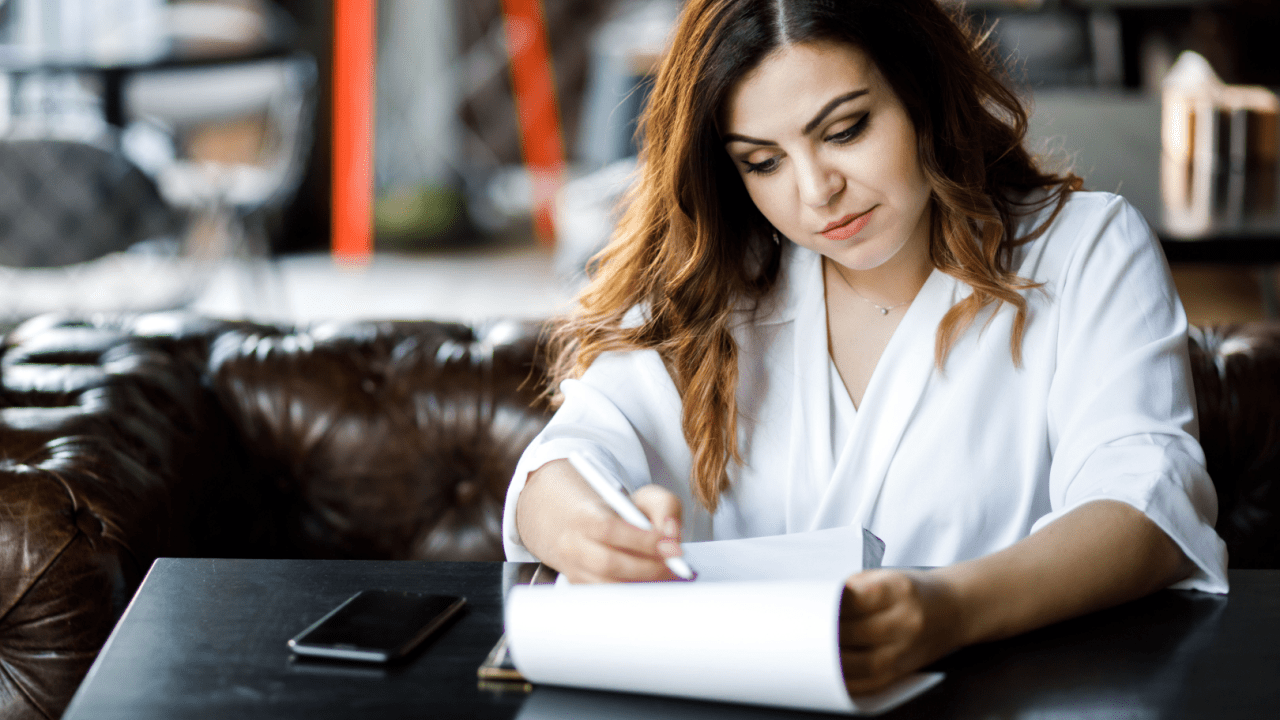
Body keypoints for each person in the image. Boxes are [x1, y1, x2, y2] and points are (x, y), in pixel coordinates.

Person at [503, 0, 1228, 694]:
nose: (815, 192)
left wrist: (948, 611)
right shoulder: (715, 284)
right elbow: (562, 466)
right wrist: (593, 533)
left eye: (845, 130)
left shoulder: (1081, 251)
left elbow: (1142, 505)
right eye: (763, 162)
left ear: (921, 91)